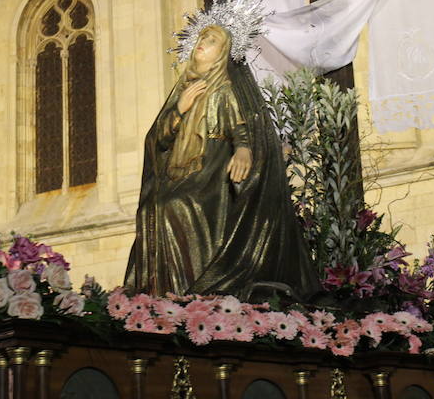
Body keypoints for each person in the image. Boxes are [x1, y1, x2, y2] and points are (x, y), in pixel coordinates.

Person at [124, 24, 319, 300]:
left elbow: (242, 127)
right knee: (153, 208)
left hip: (213, 172)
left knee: (176, 207)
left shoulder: (225, 87)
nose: (202, 41)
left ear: (223, 54)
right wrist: (180, 109)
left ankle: (190, 295)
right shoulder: (183, 89)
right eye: (202, 36)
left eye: (212, 39)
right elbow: (157, 140)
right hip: (182, 173)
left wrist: (243, 150)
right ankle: (161, 297)